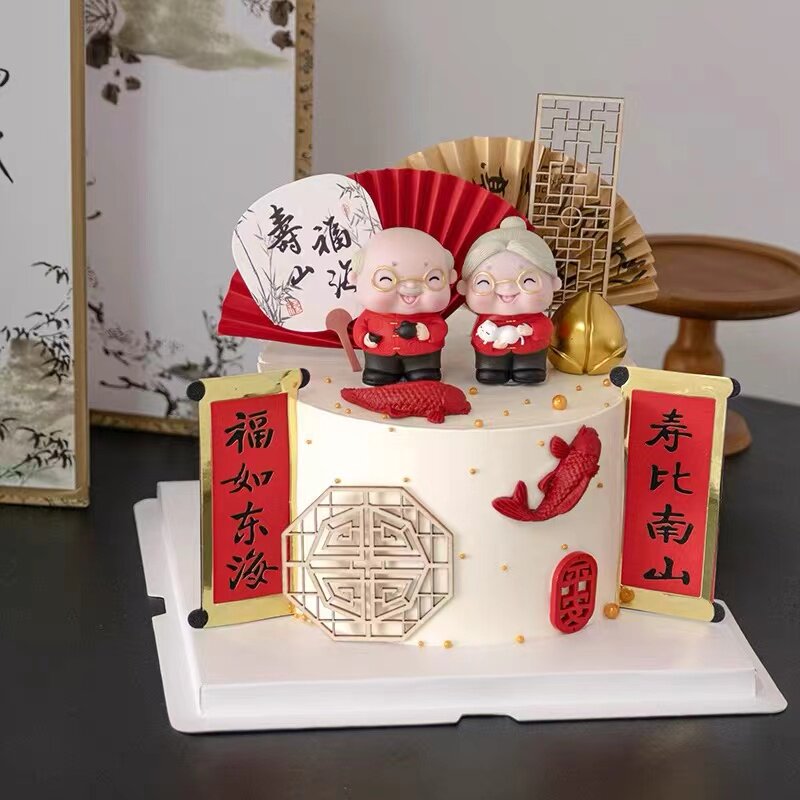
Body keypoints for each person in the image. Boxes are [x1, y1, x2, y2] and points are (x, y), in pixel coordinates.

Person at [459, 217, 561, 385]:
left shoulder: (535, 318)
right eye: (485, 282)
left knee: (530, 366)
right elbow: (478, 337)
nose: (506, 289)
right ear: (464, 287)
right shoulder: (487, 321)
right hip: (492, 355)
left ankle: (530, 369)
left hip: (530, 351)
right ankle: (491, 369)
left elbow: (546, 328)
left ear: (554, 284)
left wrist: (532, 330)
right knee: (490, 368)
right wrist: (492, 345)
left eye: (528, 281)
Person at [351, 227, 456, 385]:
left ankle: (423, 370)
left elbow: (440, 329)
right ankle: (379, 371)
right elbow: (359, 329)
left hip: (423, 356)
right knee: (379, 372)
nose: (411, 287)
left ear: (450, 278)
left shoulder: (430, 316)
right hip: (380, 356)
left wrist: (426, 332)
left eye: (432, 279)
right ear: (356, 279)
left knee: (423, 373)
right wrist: (364, 338)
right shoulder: (369, 315)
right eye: (386, 279)